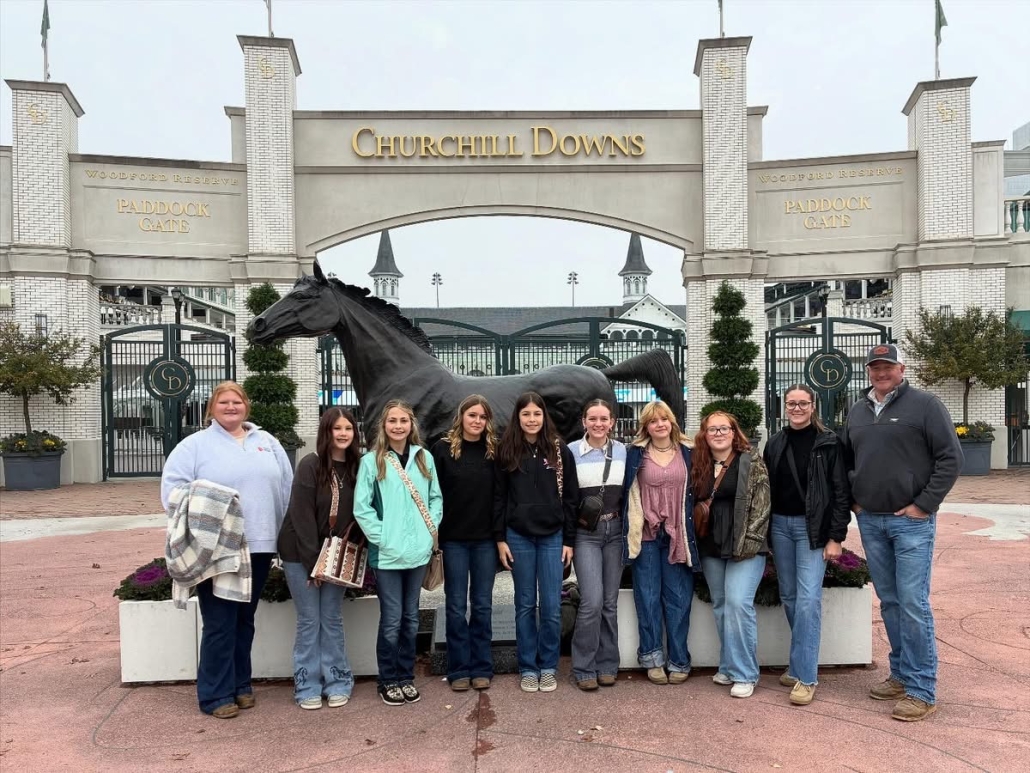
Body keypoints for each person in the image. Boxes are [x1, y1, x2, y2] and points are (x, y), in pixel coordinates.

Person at [161, 381, 293, 719]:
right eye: (224, 402)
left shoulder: (268, 442)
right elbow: (173, 493)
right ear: (211, 408)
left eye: (237, 402)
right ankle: (214, 694)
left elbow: (286, 488)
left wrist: (284, 534)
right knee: (220, 622)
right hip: (219, 547)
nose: (231, 407)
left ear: (246, 406)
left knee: (244, 620)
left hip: (261, 544)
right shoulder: (194, 446)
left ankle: (240, 684)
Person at [844, 343, 961, 722]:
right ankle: (901, 673)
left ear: (901, 368)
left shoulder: (925, 406)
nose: (881, 373)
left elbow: (950, 458)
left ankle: (922, 689)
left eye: (887, 367)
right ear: (868, 371)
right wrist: (855, 501)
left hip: (911, 522)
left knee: (913, 602)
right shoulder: (858, 410)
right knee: (891, 601)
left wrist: (924, 504)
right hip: (871, 521)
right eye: (875, 367)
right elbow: (846, 461)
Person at [763, 385, 850, 705]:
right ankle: (799, 661)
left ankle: (806, 676)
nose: (797, 408)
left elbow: (841, 493)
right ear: (784, 407)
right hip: (781, 528)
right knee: (789, 595)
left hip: (812, 530)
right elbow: (766, 490)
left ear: (813, 407)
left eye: (803, 403)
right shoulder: (775, 442)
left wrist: (836, 537)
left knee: (808, 599)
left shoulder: (828, 443)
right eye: (791, 403)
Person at [353, 400, 443, 707]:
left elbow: (435, 498)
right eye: (392, 420)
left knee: (411, 618)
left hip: (417, 552)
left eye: (403, 420)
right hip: (388, 555)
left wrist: (426, 534)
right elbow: (362, 508)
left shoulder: (423, 458)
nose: (398, 426)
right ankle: (387, 679)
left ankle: (406, 677)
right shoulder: (372, 461)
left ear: (411, 424)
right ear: (384, 425)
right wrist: (383, 538)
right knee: (392, 618)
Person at [278, 407, 362, 710]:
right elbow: (300, 518)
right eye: (336, 428)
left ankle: (338, 681)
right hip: (301, 554)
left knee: (331, 618)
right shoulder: (310, 465)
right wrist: (314, 564)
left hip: (337, 556)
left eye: (348, 428)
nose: (342, 434)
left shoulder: (358, 466)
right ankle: (307, 684)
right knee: (309, 620)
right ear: (326, 432)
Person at [494, 391, 578, 694]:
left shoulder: (559, 451)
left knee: (553, 606)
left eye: (537, 414)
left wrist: (569, 539)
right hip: (518, 536)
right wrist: (500, 539)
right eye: (526, 414)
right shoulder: (507, 451)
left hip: (553, 537)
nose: (532, 420)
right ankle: (528, 667)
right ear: (518, 417)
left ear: (544, 417)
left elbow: (571, 498)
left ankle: (548, 666)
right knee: (525, 605)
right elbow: (499, 499)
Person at [692, 411, 771, 699]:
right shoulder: (699, 462)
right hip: (712, 544)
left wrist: (750, 542)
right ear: (704, 434)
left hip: (744, 546)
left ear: (734, 432)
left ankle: (746, 673)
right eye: (712, 429)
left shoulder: (751, 462)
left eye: (724, 428)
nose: (718, 433)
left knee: (738, 604)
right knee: (722, 605)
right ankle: (727, 665)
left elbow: (762, 507)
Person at [622, 400, 699, 686]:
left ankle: (679, 659)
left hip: (679, 535)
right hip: (647, 536)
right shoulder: (635, 454)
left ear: (672, 422)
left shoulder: (689, 452)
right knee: (648, 597)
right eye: (653, 421)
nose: (659, 425)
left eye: (664, 419)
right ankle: (652, 658)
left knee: (679, 600)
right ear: (646, 426)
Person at [431, 395, 498, 692]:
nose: (477, 421)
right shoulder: (443, 450)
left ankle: (482, 666)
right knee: (456, 606)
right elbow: (434, 494)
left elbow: (500, 499)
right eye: (472, 415)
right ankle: (458, 668)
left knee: (482, 606)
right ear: (461, 417)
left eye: (482, 417)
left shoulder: (494, 452)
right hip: (454, 541)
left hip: (485, 542)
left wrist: (499, 538)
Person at [570, 399, 628, 690]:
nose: (598, 424)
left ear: (612, 422)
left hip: (615, 530)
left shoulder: (621, 451)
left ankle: (607, 664)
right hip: (586, 534)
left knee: (609, 603)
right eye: (592, 418)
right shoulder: (571, 452)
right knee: (591, 602)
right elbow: (566, 496)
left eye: (604, 419)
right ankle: (583, 666)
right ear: (584, 421)